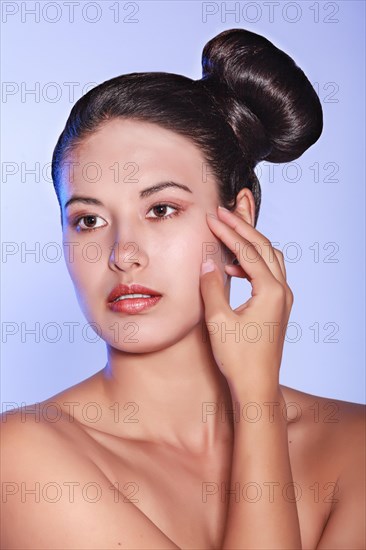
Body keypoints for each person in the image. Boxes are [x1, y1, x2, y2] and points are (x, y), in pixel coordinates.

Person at [1, 28, 364, 550]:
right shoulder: (22, 459)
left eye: (161, 209)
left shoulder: (354, 443)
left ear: (238, 218)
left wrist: (256, 397)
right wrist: (258, 401)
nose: (123, 253)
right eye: (88, 220)